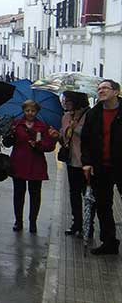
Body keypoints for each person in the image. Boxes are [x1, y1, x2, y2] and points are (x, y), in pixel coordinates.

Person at [3, 100, 58, 233]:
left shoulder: (43, 126)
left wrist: (38, 145)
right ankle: (18, 221)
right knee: (18, 193)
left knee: (35, 194)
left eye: (33, 111)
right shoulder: (16, 124)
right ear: (24, 111)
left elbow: (50, 146)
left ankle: (33, 221)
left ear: (37, 112)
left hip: (36, 163)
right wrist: (9, 132)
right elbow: (7, 143)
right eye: (27, 110)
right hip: (19, 162)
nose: (30, 113)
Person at [81, 79, 122, 254]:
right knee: (103, 206)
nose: (101, 90)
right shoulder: (94, 114)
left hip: (120, 166)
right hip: (101, 166)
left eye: (105, 88)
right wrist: (87, 162)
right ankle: (109, 242)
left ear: (116, 92)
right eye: (99, 88)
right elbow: (86, 140)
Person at [60, 92, 92, 237]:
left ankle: (88, 225)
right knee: (74, 193)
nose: (65, 103)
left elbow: (89, 135)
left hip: (86, 162)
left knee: (88, 194)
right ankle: (76, 223)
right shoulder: (66, 116)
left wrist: (76, 127)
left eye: (68, 100)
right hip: (71, 160)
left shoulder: (89, 115)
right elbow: (64, 137)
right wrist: (60, 134)